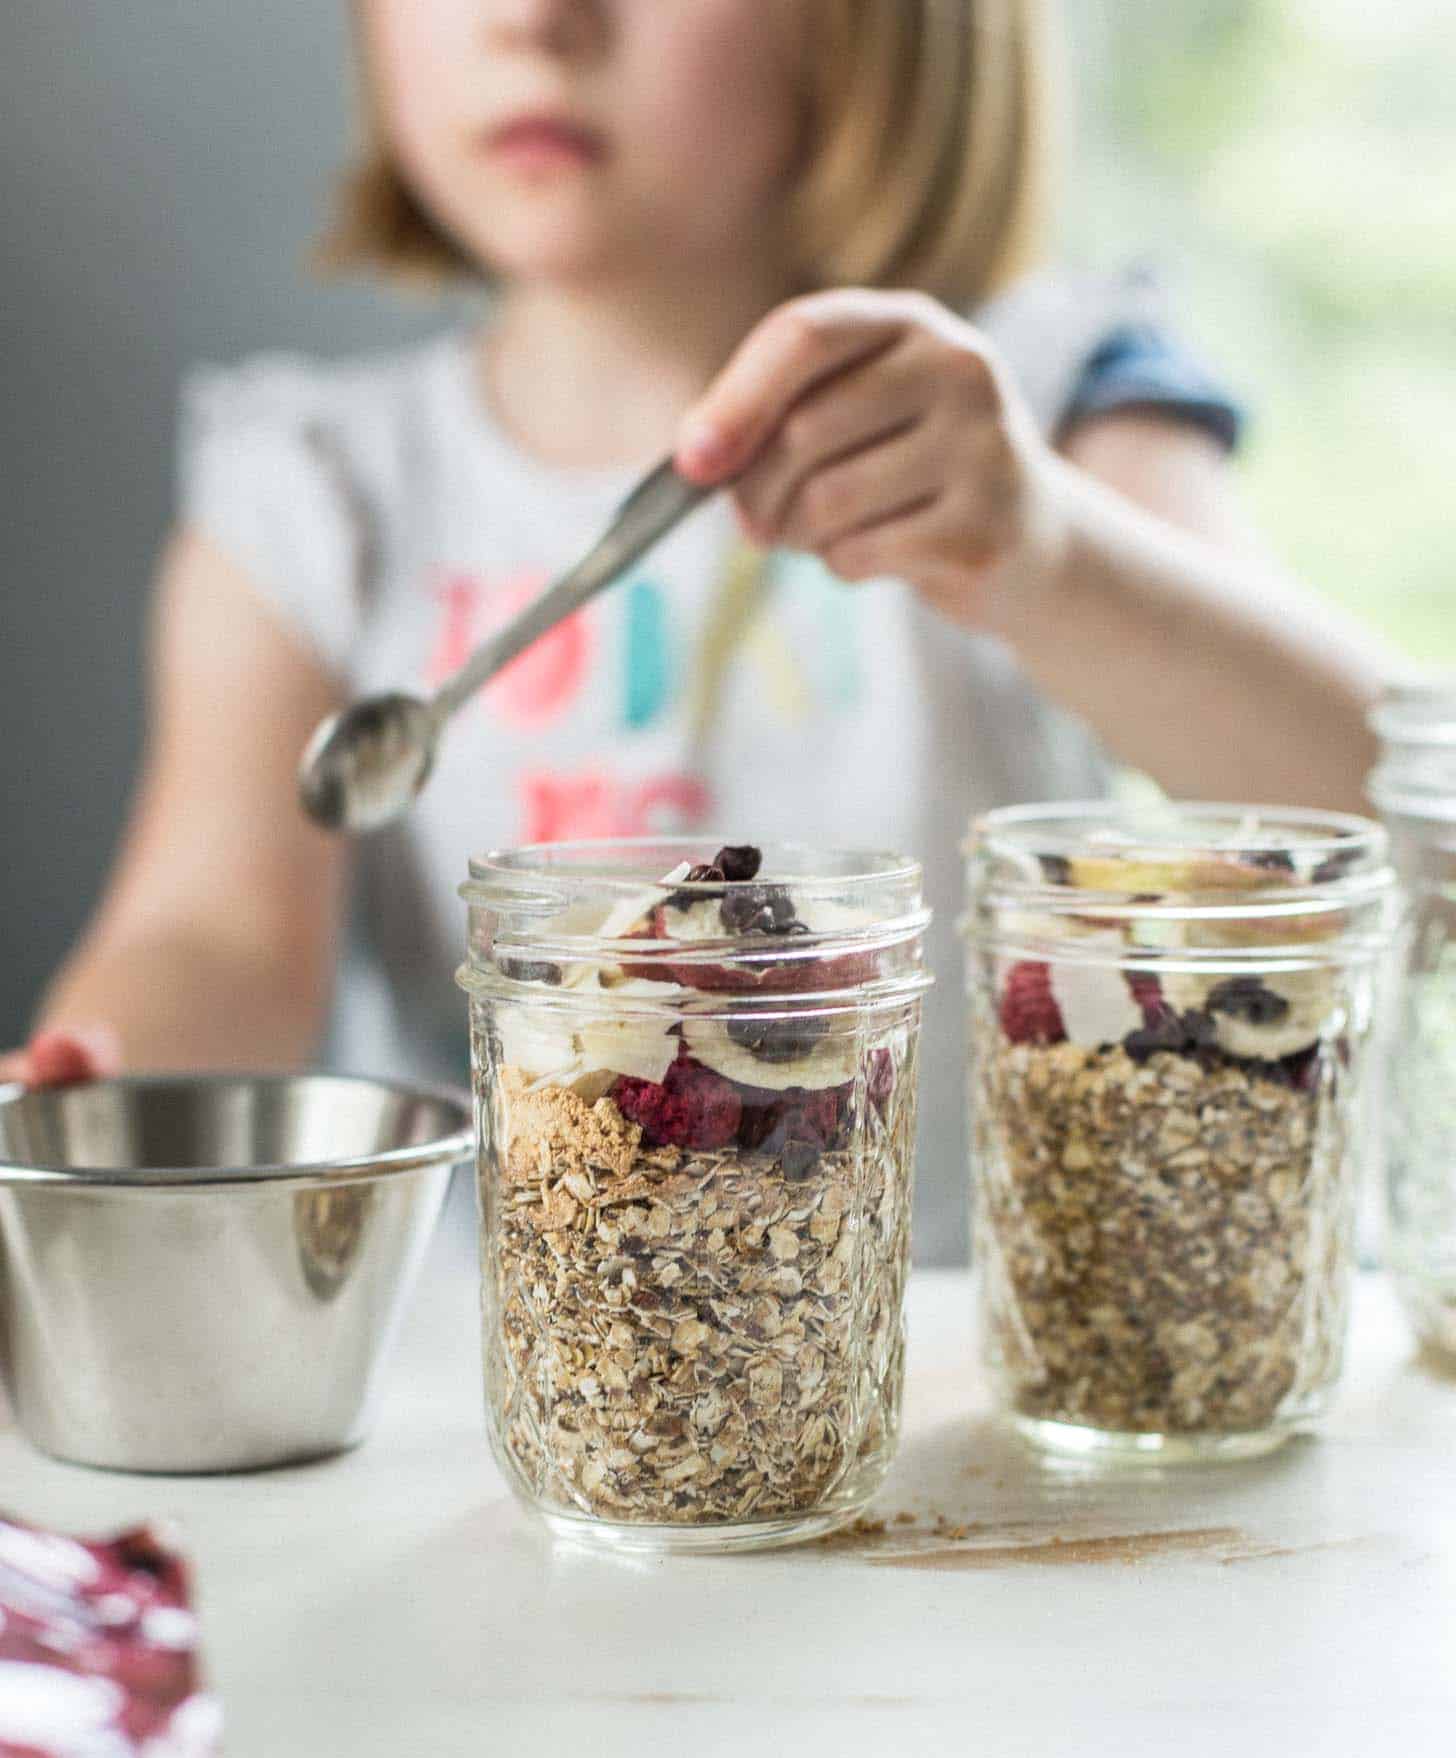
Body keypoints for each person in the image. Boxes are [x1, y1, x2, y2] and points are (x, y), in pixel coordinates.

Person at [1, 0, 1395, 1261]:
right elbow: (217, 933)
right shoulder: (316, 483)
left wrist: (1045, 554)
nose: (537, 20)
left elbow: (1396, 818)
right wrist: (98, 1099)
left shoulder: (1036, 403)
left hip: (956, 1369)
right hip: (527, 1388)